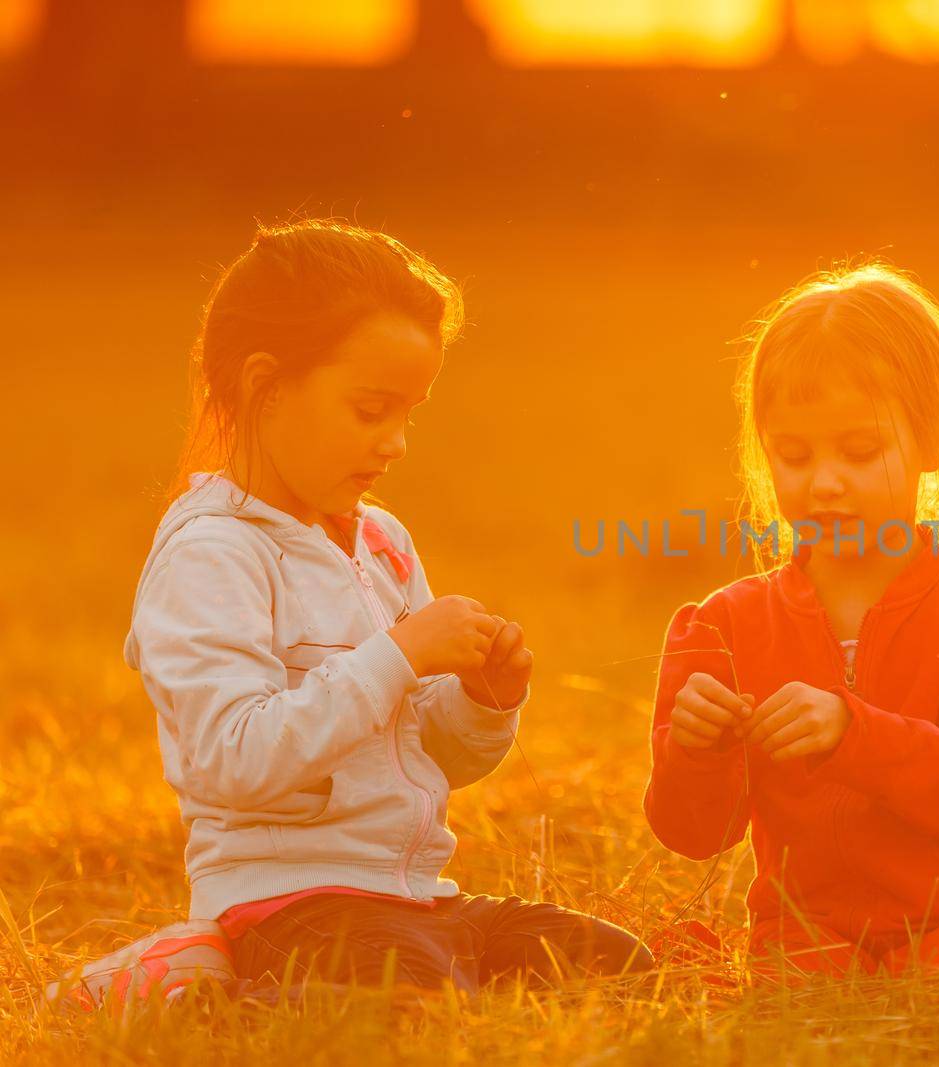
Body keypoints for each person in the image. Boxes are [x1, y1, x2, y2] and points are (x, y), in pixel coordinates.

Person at [67, 220, 651, 1005]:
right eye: (371, 409)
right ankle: (180, 988)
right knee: (409, 1008)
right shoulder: (213, 554)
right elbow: (231, 759)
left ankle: (414, 975)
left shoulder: (381, 542)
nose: (397, 442)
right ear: (263, 386)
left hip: (416, 895)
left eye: (409, 412)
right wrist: (400, 653)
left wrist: (483, 699)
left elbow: (428, 754)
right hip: (286, 903)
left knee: (619, 968)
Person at [643, 263, 939, 976]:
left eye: (859, 451)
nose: (824, 480)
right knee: (799, 991)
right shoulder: (725, 624)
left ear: (934, 442)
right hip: (807, 929)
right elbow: (694, 832)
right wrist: (695, 747)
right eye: (794, 455)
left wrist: (854, 730)